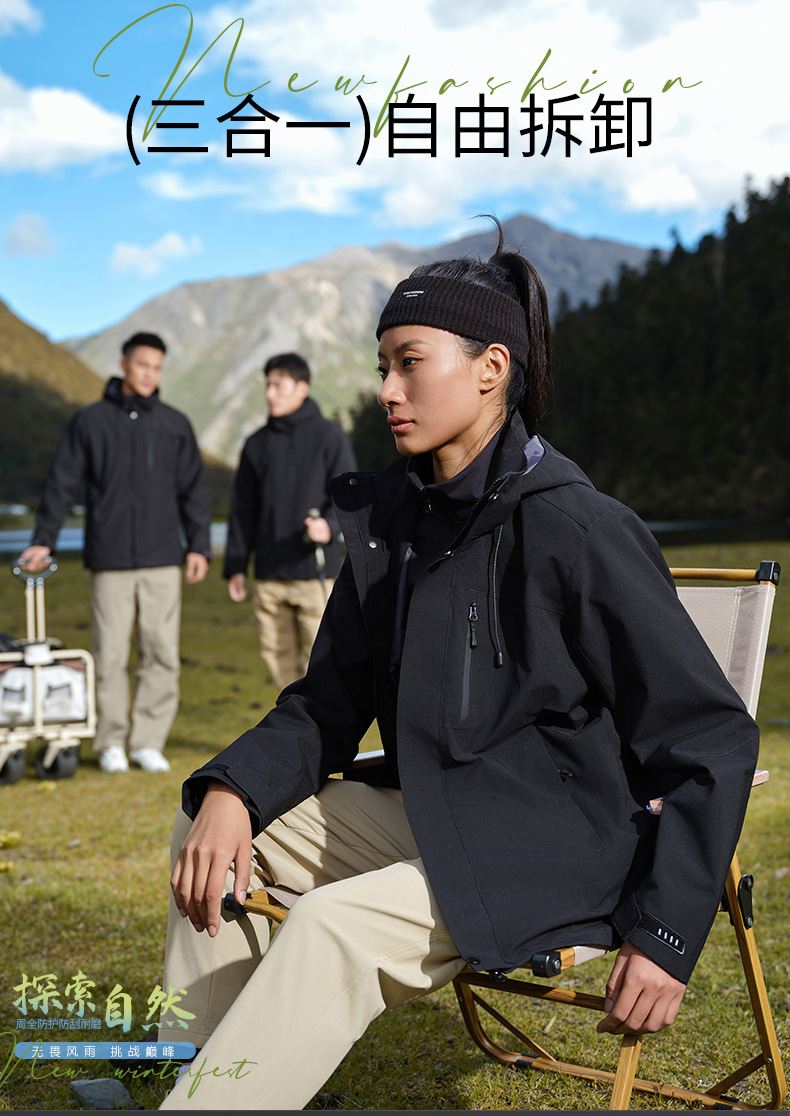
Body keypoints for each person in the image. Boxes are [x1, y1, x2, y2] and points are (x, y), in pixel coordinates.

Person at [158, 227, 758, 1110]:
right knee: (211, 829)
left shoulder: (579, 530)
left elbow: (711, 738)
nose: (386, 390)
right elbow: (327, 703)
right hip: (440, 811)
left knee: (333, 923)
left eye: (409, 362)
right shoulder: (393, 526)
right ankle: (195, 1071)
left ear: (491, 368)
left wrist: (667, 934)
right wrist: (233, 792)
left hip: (562, 842)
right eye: (382, 366)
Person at [19, 331, 211, 775]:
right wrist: (44, 538)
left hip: (163, 557)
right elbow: (62, 482)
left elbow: (194, 491)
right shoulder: (90, 421)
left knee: (161, 652)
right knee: (108, 655)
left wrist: (199, 545)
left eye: (157, 367)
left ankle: (147, 743)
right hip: (110, 557)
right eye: (142, 364)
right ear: (124, 364)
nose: (149, 374)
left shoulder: (175, 424)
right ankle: (110, 742)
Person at [223, 352, 358, 691]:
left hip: (314, 575)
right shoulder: (256, 444)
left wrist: (330, 526)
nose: (270, 393)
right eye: (267, 385)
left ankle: (322, 723)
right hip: (268, 576)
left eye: (279, 385)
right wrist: (236, 565)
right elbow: (242, 509)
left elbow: (349, 496)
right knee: (277, 660)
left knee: (322, 663)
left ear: (302, 388)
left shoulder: (330, 437)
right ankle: (292, 720)